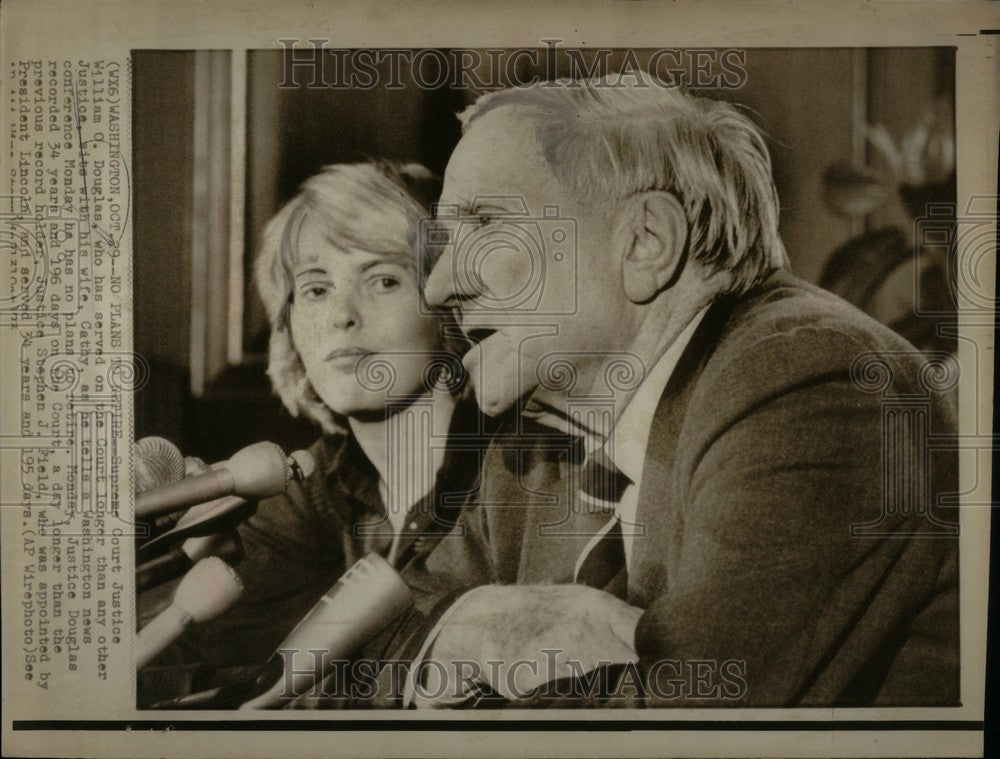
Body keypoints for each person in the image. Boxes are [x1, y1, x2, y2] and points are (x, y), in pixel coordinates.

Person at [361, 80, 959, 708]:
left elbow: (678, 718)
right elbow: (373, 647)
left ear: (647, 243)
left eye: (485, 224)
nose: (438, 288)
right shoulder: (544, 430)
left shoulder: (818, 380)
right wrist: (465, 634)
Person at [183, 161, 490, 669]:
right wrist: (182, 552)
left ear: (447, 307)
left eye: (384, 280)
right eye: (316, 289)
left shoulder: (521, 473)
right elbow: (185, 671)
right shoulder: (316, 484)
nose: (340, 314)